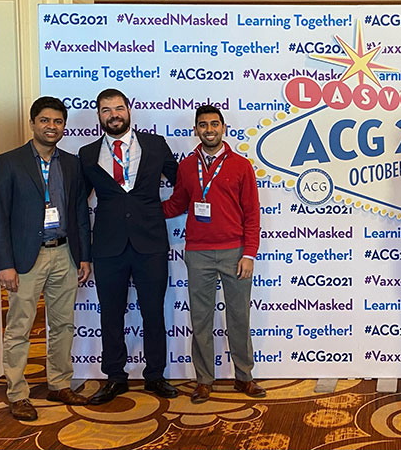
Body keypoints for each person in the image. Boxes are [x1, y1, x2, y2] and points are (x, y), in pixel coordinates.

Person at [0, 97, 92, 420]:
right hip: (25, 258)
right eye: (45, 120)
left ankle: (59, 383)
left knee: (63, 324)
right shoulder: (9, 162)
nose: (51, 126)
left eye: (58, 121)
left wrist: (84, 256)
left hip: (64, 253)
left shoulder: (72, 164)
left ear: (64, 126)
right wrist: (5, 264)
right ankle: (17, 393)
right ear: (33, 123)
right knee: (19, 327)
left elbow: (79, 212)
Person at [78, 88, 179, 404]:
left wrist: (159, 211)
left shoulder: (155, 144)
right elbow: (79, 204)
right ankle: (115, 377)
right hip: (108, 246)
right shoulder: (87, 154)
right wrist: (82, 252)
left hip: (151, 243)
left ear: (129, 110)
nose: (113, 115)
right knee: (110, 314)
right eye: (106, 110)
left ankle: (155, 376)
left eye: (118, 108)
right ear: (99, 115)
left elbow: (183, 185)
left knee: (153, 312)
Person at [163, 105, 264, 401]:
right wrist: (141, 210)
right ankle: (204, 379)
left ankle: (244, 377)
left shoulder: (241, 165)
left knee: (239, 318)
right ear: (196, 130)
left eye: (214, 124)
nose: (209, 129)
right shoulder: (186, 166)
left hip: (235, 253)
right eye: (203, 124)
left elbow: (252, 214)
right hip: (198, 254)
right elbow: (177, 204)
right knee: (201, 320)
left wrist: (250, 253)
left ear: (223, 128)